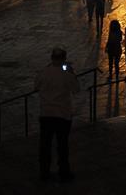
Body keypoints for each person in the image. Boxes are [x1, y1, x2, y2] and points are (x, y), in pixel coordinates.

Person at [35, 47, 79, 182]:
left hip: (46, 113)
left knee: (45, 145)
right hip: (62, 114)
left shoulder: (43, 72)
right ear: (64, 59)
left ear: (51, 58)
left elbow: (36, 87)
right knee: (62, 145)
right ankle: (64, 172)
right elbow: (76, 89)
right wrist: (71, 73)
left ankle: (44, 172)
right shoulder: (67, 74)